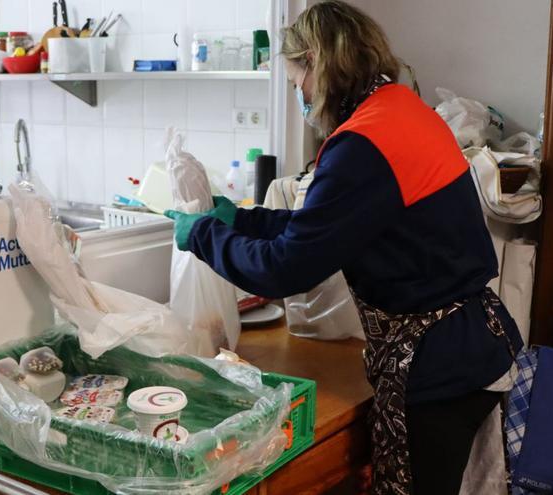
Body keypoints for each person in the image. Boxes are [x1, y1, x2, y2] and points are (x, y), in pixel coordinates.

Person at [164, 2, 523, 494]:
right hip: (472, 342)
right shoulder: (400, 111)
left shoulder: (364, 144)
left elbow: (288, 269)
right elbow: (332, 224)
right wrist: (240, 219)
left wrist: (203, 235)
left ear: (316, 62)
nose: (300, 96)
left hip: (439, 362)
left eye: (296, 82)